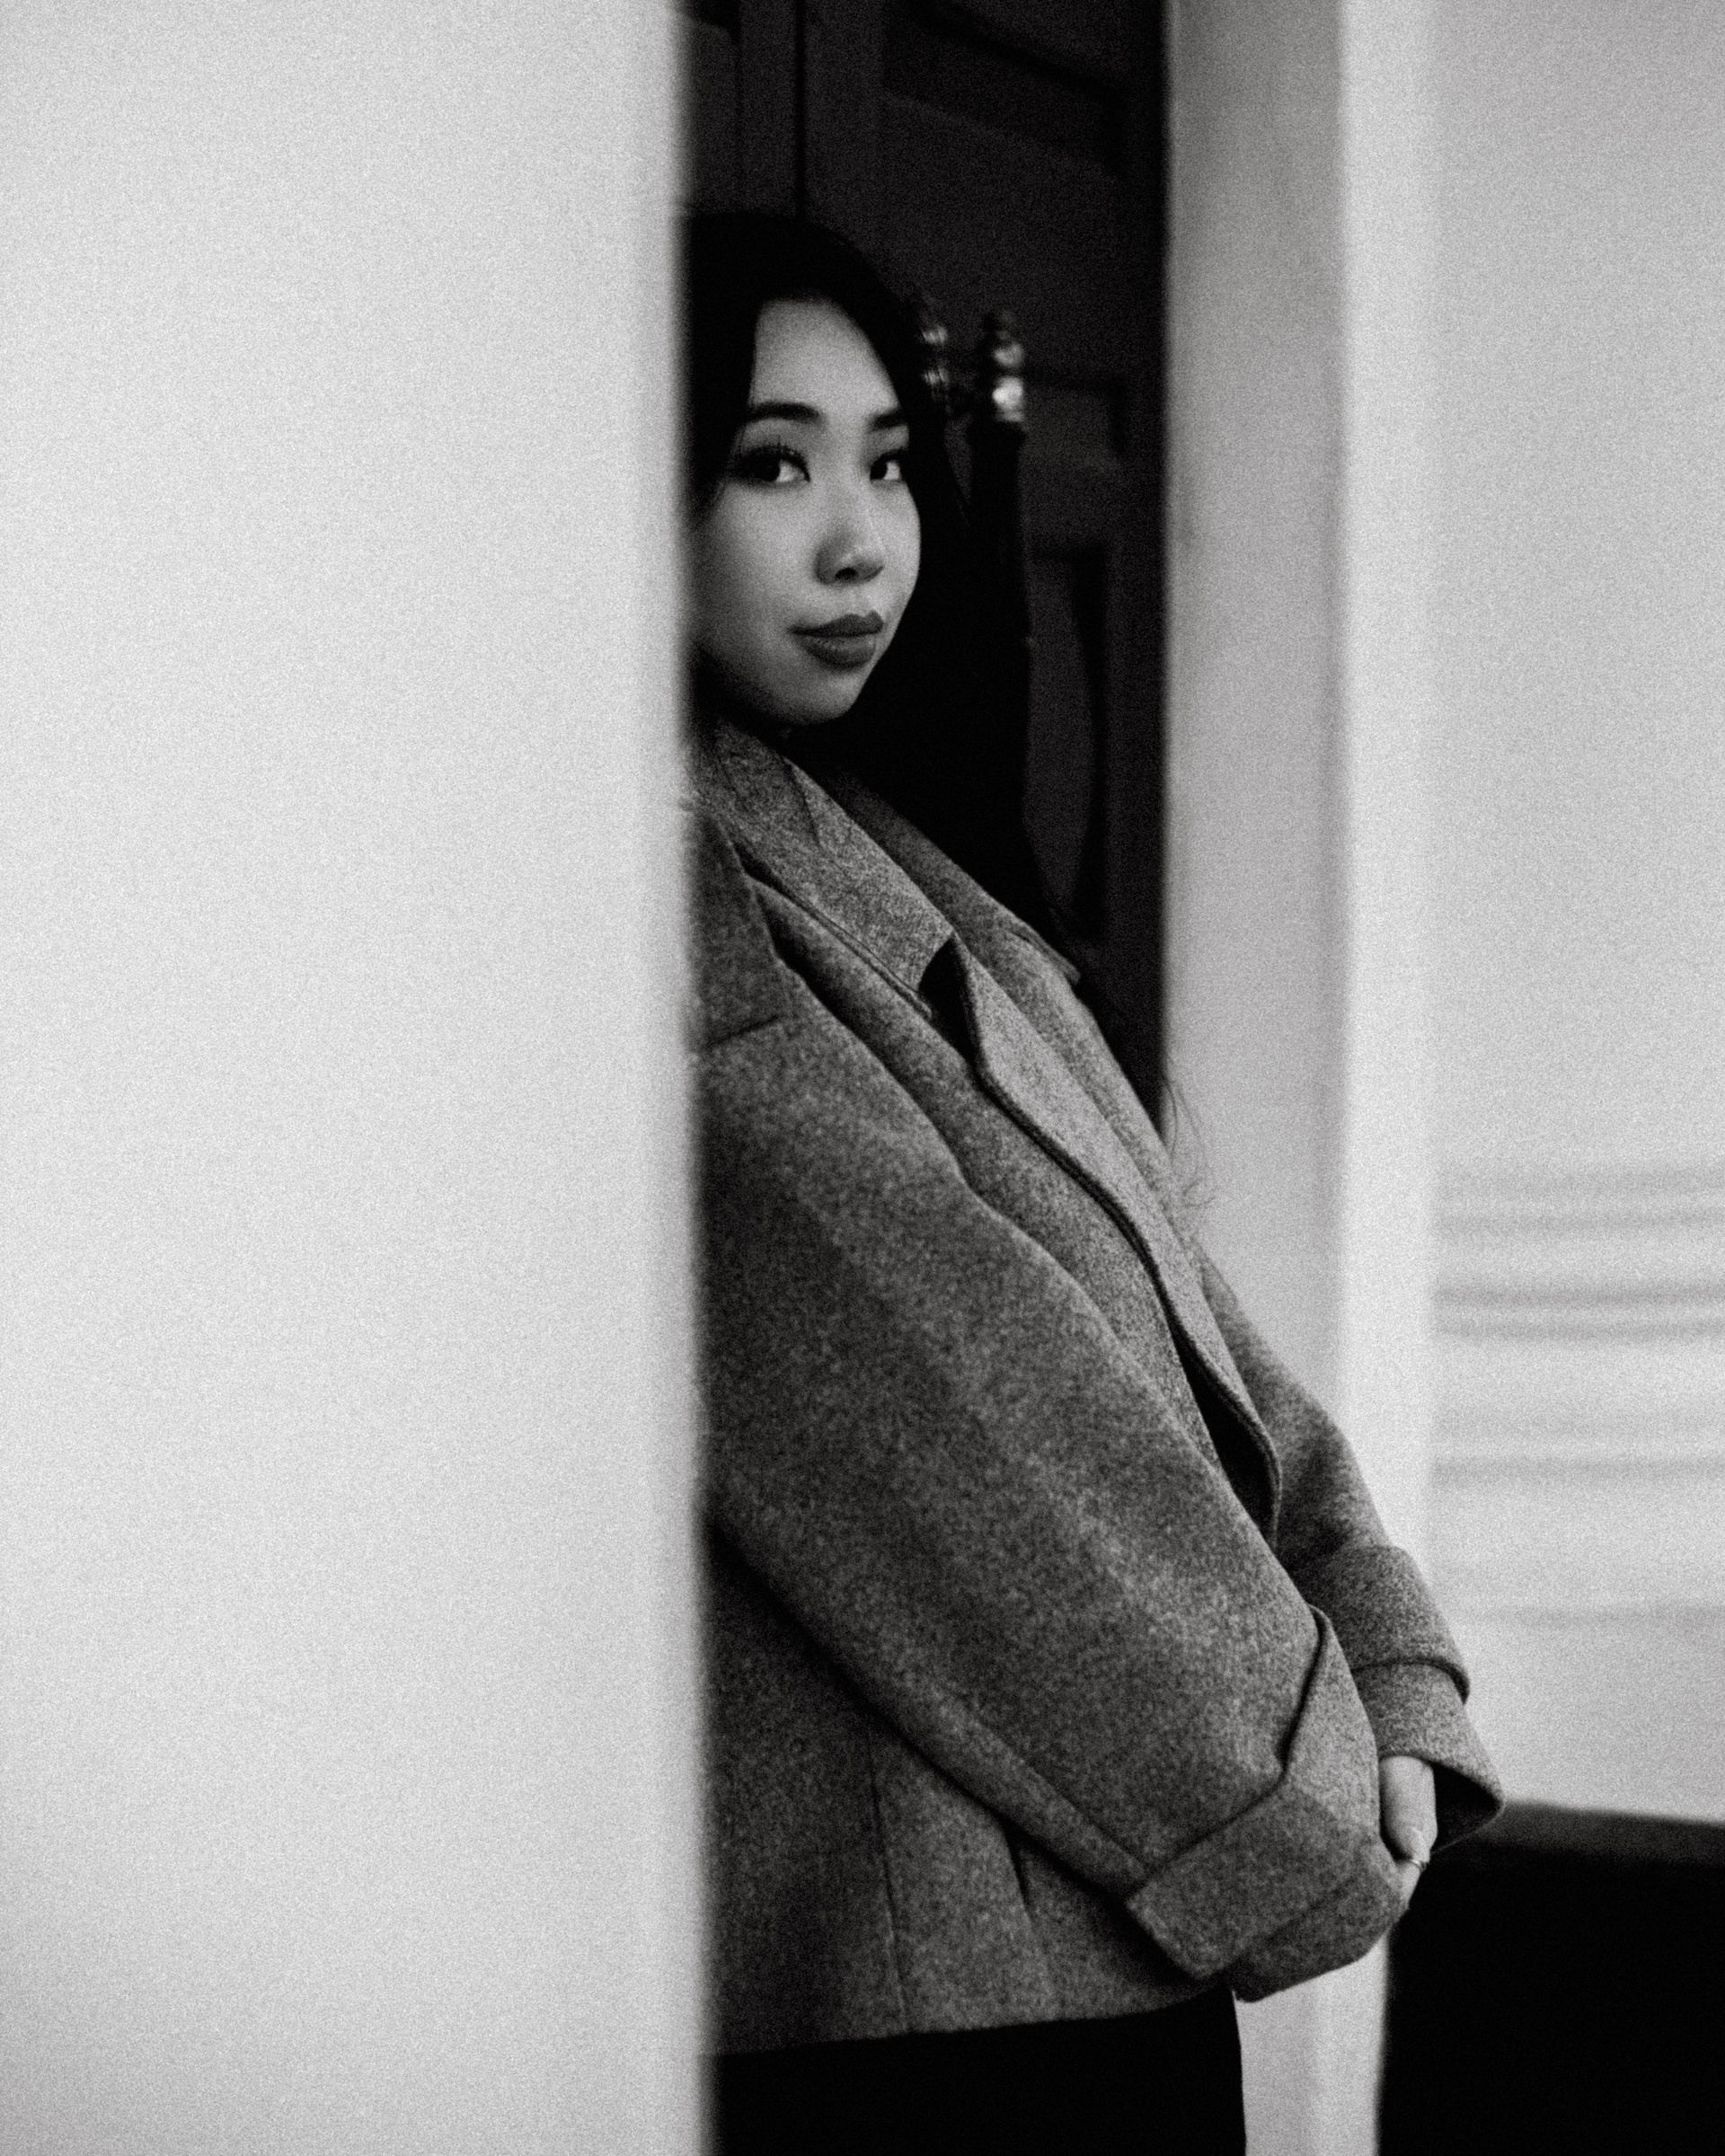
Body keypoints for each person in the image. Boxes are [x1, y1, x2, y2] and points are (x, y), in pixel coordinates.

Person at [682, 212, 1500, 2156]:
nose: (862, 543)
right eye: (773, 465)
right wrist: (1294, 1780)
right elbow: (943, 1414)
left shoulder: (880, 843)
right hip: (925, 2011)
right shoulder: (658, 884)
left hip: (1070, 1962)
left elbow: (1183, 1333)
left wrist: (1383, 1658)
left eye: (888, 464)